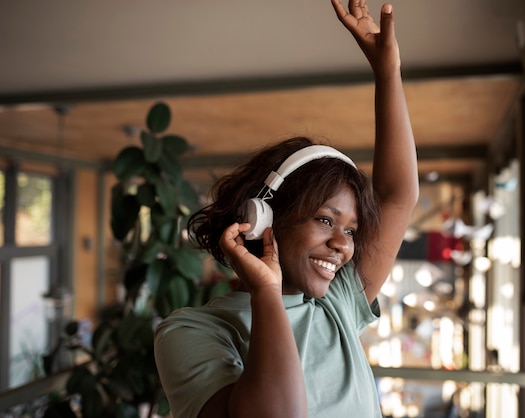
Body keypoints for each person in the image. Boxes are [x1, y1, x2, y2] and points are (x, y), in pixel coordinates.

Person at [154, 0, 419, 416]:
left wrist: (388, 72)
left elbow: (397, 197)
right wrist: (266, 291)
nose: (342, 245)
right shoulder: (193, 331)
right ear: (264, 218)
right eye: (326, 220)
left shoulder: (337, 302)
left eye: (350, 230)